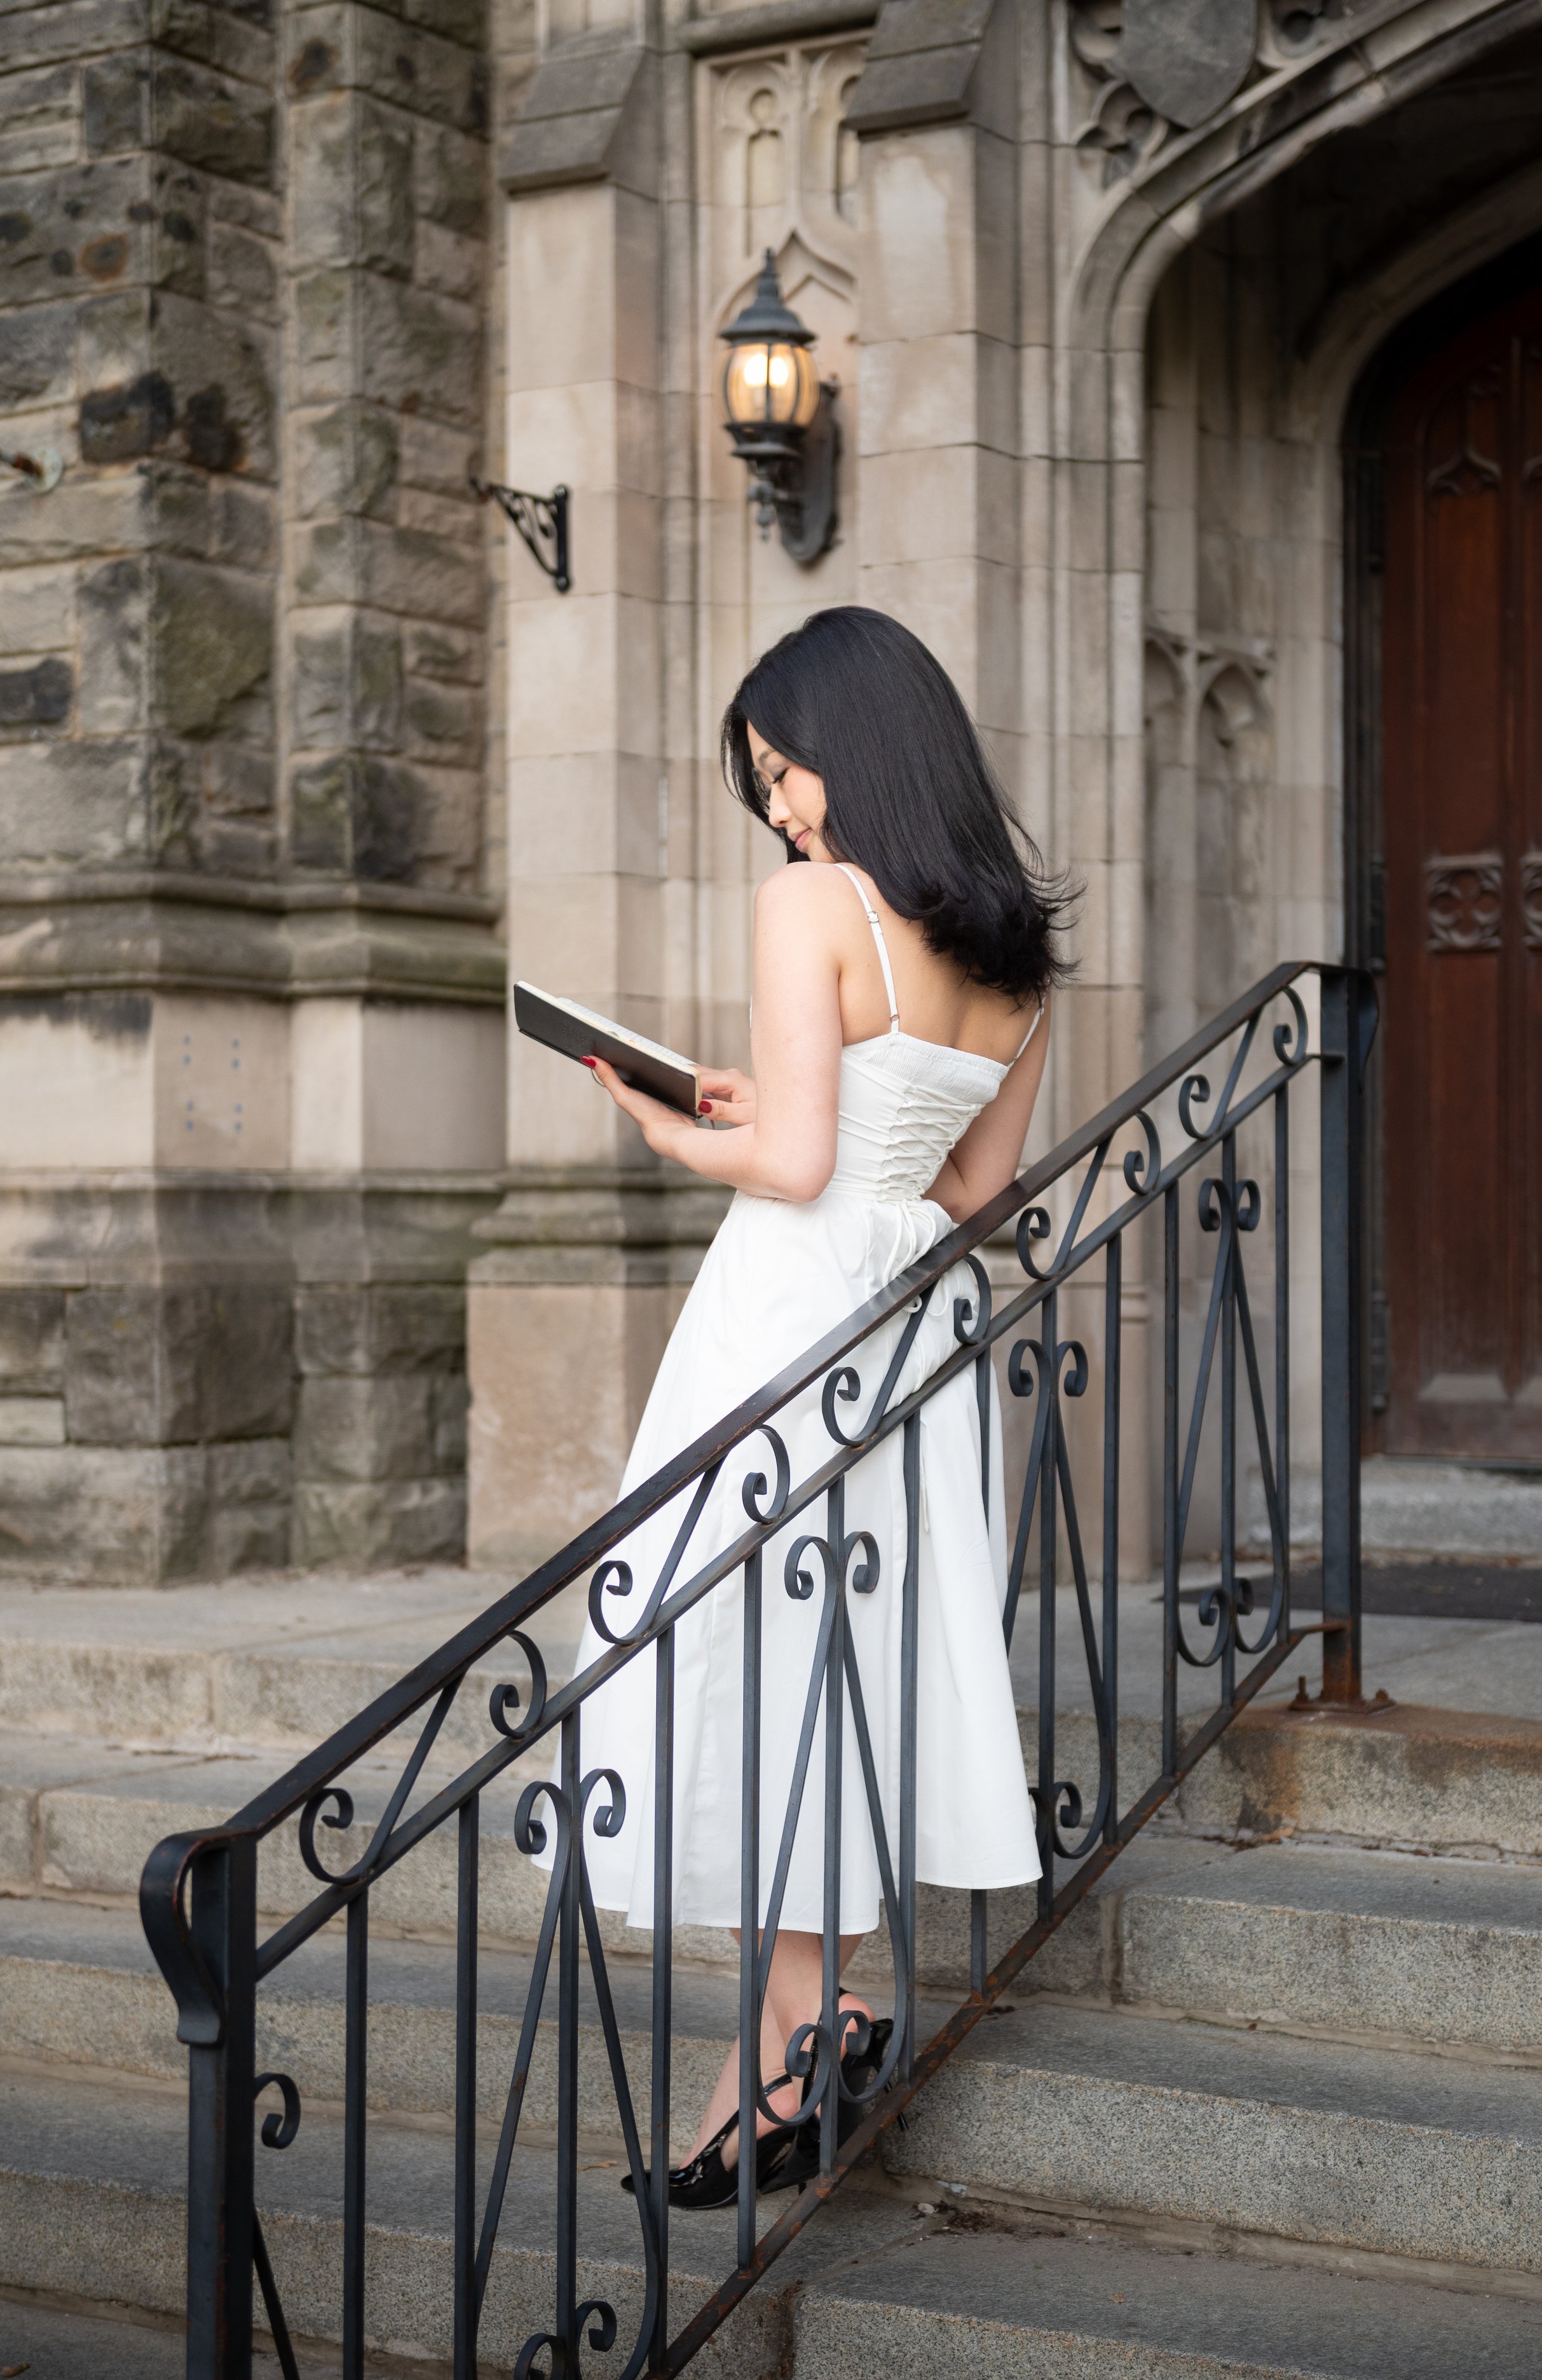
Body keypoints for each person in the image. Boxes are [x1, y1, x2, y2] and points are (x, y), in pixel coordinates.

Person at [559, 605, 1067, 2207]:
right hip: (912, 1320)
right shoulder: (1014, 954)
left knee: (722, 1639)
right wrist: (780, 1106)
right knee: (830, 1653)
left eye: (785, 773)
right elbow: (975, 1186)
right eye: (769, 787)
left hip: (787, 1302)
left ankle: (798, 2032)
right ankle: (799, 2023)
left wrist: (668, 1130)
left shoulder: (812, 902)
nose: (780, 809)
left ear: (859, 748)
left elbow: (789, 1169)